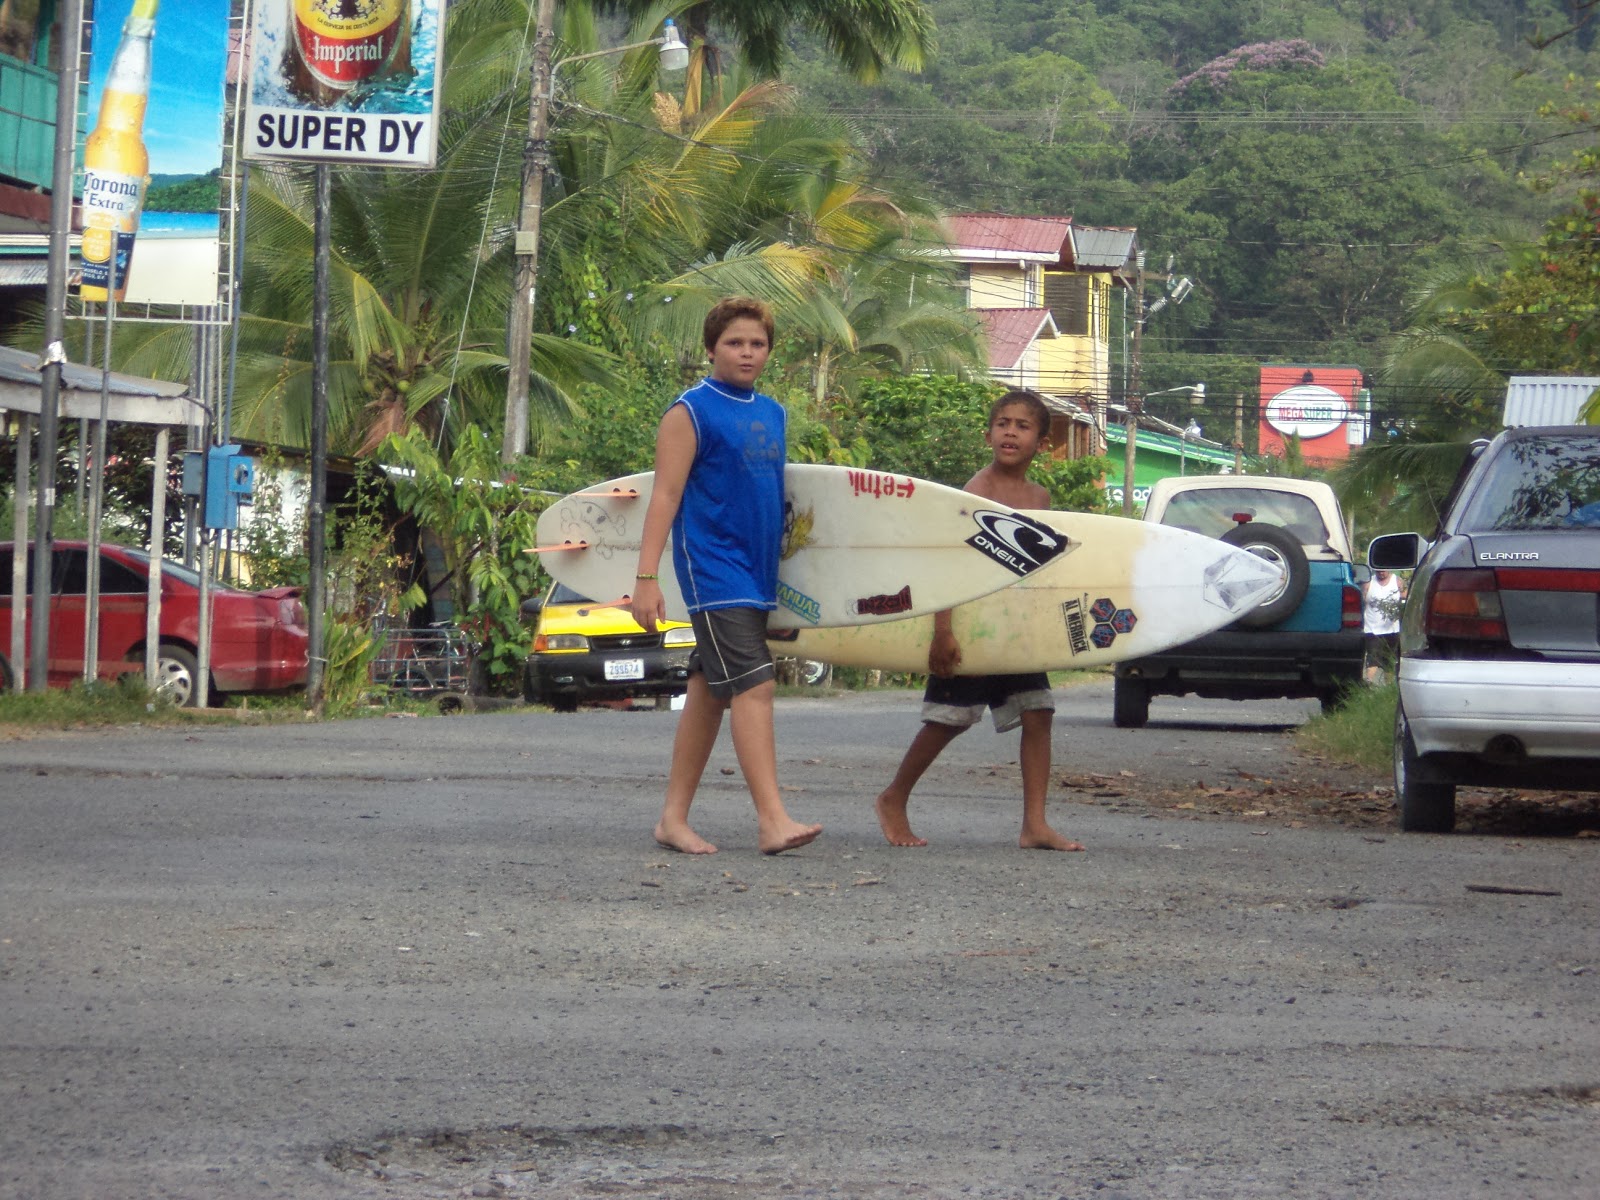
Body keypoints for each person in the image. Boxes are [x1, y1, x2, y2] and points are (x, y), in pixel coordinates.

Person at [630, 297, 823, 856]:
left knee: (708, 693)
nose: (746, 352)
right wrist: (647, 577)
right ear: (712, 348)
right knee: (755, 687)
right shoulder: (690, 411)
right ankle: (772, 819)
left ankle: (672, 819)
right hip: (713, 569)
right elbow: (664, 496)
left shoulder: (774, 413)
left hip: (758, 573)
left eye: (757, 343)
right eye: (735, 342)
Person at [874, 390, 1085, 852]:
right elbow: (946, 565)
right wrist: (943, 630)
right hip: (969, 622)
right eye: (1003, 423)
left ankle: (1035, 824)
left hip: (1011, 628)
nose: (1010, 431)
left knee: (1039, 711)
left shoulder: (1039, 497)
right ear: (988, 433)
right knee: (950, 719)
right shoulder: (974, 493)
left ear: (1042, 443)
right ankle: (893, 797)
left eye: (1022, 426)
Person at [1362, 567, 1406, 683]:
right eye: (1378, 570)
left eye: (1383, 570)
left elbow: (1406, 597)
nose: (1381, 572)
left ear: (1389, 570)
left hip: (1392, 629)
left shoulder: (1397, 581)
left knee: (1389, 661)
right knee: (1372, 659)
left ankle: (1388, 687)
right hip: (1372, 629)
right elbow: (1362, 601)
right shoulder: (1368, 583)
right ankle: (1368, 685)